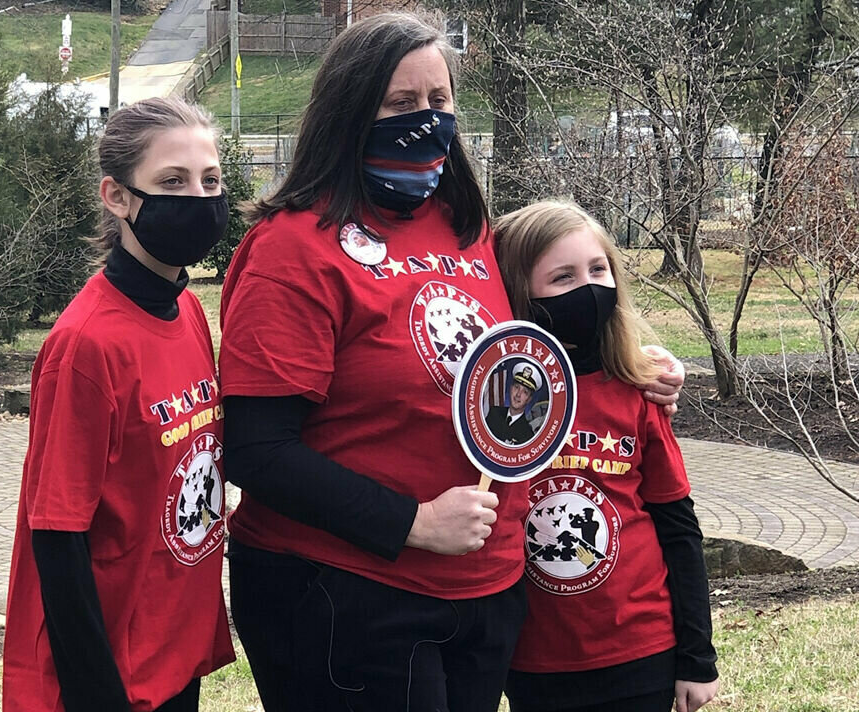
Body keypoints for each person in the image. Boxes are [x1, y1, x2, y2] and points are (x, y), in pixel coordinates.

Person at [218, 13, 684, 712]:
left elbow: (530, 349)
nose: (427, 119)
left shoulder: (467, 229)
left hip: (485, 592)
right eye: (401, 103)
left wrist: (634, 363)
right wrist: (411, 523)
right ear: (349, 111)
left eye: (440, 100)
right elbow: (257, 451)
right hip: (347, 591)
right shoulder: (292, 248)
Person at [2, 97, 235, 712]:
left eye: (210, 180)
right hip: (111, 677)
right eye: (172, 181)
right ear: (117, 196)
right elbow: (57, 538)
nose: (198, 198)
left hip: (171, 652)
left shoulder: (188, 309)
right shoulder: (85, 346)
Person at [494, 200, 719, 712]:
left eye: (599, 270)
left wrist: (697, 656)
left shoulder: (641, 391)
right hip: (534, 657)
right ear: (519, 291)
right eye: (563, 277)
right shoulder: (494, 403)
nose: (589, 288)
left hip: (641, 647)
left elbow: (678, 528)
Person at [486, 365, 540, 444]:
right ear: (511, 388)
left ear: (529, 399)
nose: (518, 394)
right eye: (516, 387)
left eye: (525, 392)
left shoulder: (527, 436)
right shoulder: (494, 413)